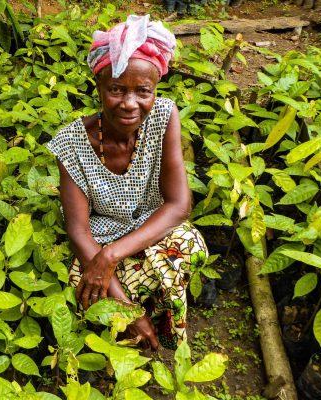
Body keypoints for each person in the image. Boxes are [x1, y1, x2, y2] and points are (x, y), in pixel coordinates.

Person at [47, 15, 208, 351]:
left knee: (186, 244)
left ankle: (160, 325)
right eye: (117, 89)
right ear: (100, 88)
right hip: (97, 239)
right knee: (87, 288)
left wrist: (111, 258)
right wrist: (124, 304)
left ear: (155, 90)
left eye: (142, 91)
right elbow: (78, 231)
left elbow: (179, 206)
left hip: (149, 230)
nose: (130, 103)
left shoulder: (165, 117)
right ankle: (130, 335)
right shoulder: (71, 143)